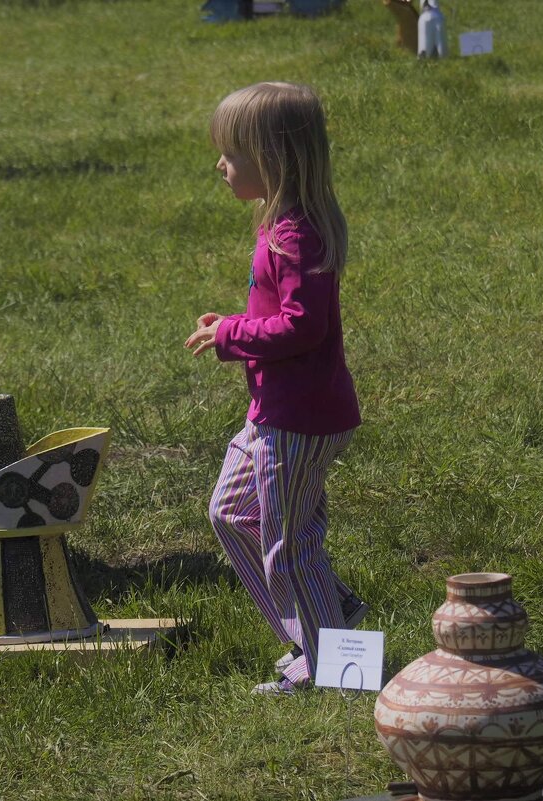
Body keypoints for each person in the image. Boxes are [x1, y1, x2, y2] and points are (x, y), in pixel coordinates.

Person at [184, 82, 366, 695]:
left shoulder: (296, 235)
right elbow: (283, 313)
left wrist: (233, 333)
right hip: (276, 411)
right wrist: (232, 325)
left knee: (289, 548)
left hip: (296, 419)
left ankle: (332, 669)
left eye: (231, 153)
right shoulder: (286, 225)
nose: (220, 164)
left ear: (273, 158)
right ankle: (331, 617)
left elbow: (302, 325)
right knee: (232, 513)